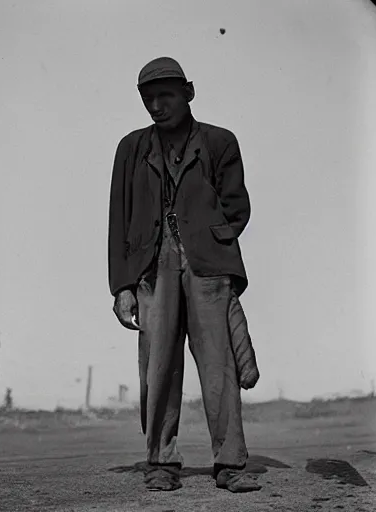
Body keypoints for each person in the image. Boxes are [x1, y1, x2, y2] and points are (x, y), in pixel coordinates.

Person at [108, 56, 261, 493]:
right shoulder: (130, 148)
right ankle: (160, 462)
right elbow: (119, 220)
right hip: (151, 270)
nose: (156, 106)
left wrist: (210, 243)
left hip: (208, 269)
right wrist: (122, 286)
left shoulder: (220, 142)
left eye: (166, 96)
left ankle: (230, 465)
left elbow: (236, 207)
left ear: (189, 92)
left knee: (219, 367)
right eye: (148, 99)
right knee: (157, 369)